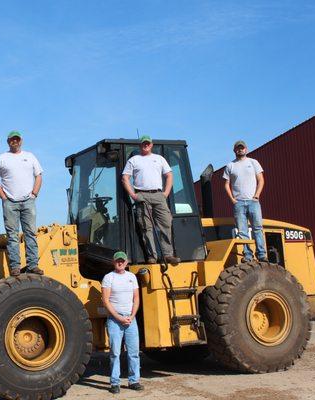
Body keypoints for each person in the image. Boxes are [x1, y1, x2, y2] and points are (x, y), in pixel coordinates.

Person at [0, 131, 44, 276]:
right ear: (8, 141)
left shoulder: (30, 156)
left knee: (30, 234)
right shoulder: (1, 158)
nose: (15, 141)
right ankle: (15, 267)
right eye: (12, 140)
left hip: (28, 201)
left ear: (21, 141)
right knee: (12, 236)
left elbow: (38, 175)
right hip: (10, 202)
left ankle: (33, 265)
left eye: (17, 139)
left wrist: (34, 194)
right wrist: (3, 196)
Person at [121, 135, 180, 265]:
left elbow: (169, 175)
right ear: (140, 145)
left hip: (159, 195)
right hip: (142, 195)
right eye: (143, 143)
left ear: (151, 145)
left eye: (147, 143)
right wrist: (133, 195)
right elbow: (125, 178)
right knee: (145, 227)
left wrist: (165, 193)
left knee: (166, 223)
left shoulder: (159, 159)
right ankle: (152, 256)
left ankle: (168, 255)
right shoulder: (134, 160)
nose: (145, 145)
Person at [101, 251, 143, 394]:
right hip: (115, 320)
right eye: (118, 261)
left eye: (122, 261)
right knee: (115, 352)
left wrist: (132, 316)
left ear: (126, 263)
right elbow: (106, 300)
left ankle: (134, 381)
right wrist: (118, 317)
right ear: (113, 262)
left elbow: (136, 298)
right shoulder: (108, 278)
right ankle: (115, 383)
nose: (120, 263)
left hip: (131, 320)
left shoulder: (131, 277)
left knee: (134, 352)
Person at [223, 140, 268, 262]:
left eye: (242, 148)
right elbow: (226, 184)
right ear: (234, 150)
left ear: (246, 149)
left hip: (253, 202)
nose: (240, 150)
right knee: (242, 231)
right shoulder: (230, 166)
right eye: (238, 148)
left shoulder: (253, 162)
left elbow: (261, 180)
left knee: (257, 227)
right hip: (239, 203)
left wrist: (257, 196)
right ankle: (248, 255)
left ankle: (261, 254)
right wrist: (233, 199)